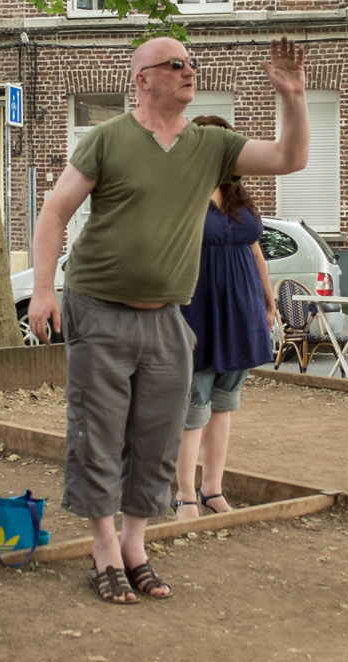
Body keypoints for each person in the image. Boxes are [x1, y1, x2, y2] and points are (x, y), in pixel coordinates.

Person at [27, 37, 309, 605]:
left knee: (157, 437)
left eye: (192, 63)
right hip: (99, 307)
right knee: (99, 433)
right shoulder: (107, 140)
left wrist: (295, 98)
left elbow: (288, 159)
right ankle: (103, 549)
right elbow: (55, 210)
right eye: (175, 64)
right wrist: (41, 290)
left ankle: (136, 546)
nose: (189, 71)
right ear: (142, 79)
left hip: (169, 319)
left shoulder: (210, 145)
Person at [172, 116, 276, 523]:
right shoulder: (179, 194)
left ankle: (212, 488)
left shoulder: (239, 196)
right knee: (193, 404)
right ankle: (183, 495)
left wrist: (268, 303)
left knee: (224, 404)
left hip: (241, 310)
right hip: (196, 310)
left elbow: (255, 252)